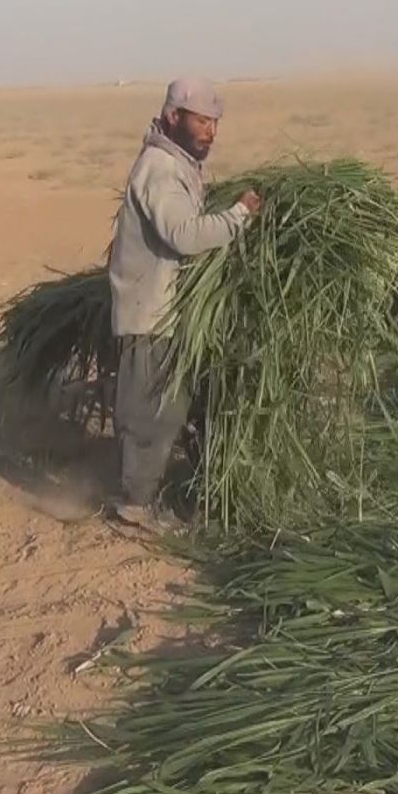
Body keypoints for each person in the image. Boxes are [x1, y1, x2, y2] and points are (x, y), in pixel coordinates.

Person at [106, 77, 262, 532]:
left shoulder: (180, 165)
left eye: (215, 123)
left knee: (167, 408)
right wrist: (239, 216)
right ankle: (134, 504)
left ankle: (147, 494)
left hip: (165, 310)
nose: (210, 131)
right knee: (148, 410)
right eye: (201, 121)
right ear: (173, 117)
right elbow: (185, 235)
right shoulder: (160, 167)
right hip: (148, 310)